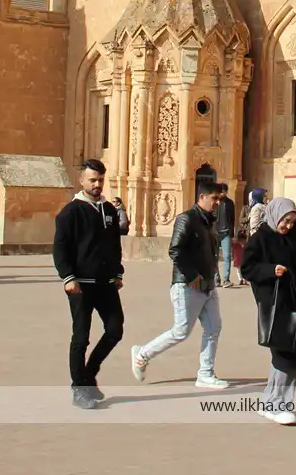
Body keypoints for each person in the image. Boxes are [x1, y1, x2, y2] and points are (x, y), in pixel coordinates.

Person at [131, 180, 229, 390]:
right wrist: (192, 276)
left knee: (213, 328)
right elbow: (175, 250)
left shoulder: (208, 222)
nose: (218, 203)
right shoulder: (187, 219)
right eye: (214, 199)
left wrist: (213, 277)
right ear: (201, 197)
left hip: (208, 285)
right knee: (181, 331)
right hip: (188, 285)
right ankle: (142, 354)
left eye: (219, 199)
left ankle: (205, 373)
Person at [241, 196, 296, 425]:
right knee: (286, 355)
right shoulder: (261, 239)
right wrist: (270, 270)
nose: (288, 226)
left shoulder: (294, 233)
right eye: (284, 221)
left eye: (291, 221)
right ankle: (279, 405)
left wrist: (294, 214)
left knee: (289, 354)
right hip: (276, 305)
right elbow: (247, 267)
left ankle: (271, 403)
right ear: (274, 216)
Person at [53, 158, 126, 410]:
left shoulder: (108, 210)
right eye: (92, 180)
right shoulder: (71, 212)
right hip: (81, 285)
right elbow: (60, 248)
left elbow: (114, 244)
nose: (97, 184)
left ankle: (88, 375)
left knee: (115, 329)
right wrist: (68, 277)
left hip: (106, 283)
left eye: (100, 180)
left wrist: (118, 272)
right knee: (81, 337)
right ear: (81, 180)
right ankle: (79, 388)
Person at [212, 179, 236, 287]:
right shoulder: (213, 202)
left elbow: (232, 219)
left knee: (227, 257)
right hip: (215, 233)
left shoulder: (230, 203)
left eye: (222, 191)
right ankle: (216, 279)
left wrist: (232, 234)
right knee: (214, 256)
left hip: (226, 232)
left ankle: (225, 279)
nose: (221, 194)